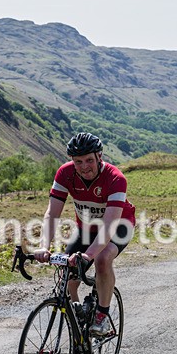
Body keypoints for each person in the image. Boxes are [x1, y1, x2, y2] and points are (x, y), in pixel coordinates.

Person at [35, 132, 136, 339]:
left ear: (100, 157)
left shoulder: (116, 179)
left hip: (118, 226)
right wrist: (44, 246)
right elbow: (52, 214)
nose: (84, 167)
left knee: (102, 259)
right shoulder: (65, 174)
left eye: (89, 160)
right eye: (78, 161)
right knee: (67, 274)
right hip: (87, 228)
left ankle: (102, 315)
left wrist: (88, 256)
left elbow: (108, 227)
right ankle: (77, 324)